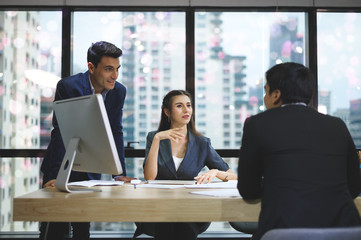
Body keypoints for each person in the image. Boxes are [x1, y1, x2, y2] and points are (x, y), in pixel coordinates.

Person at [237, 62, 361, 240]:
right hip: (344, 231)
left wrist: (276, 185)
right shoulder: (337, 125)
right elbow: (354, 187)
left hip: (283, 231)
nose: (265, 97)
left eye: (266, 91)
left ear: (276, 95)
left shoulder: (257, 124)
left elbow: (248, 190)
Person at [39, 41, 135, 240]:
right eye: (109, 69)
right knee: (54, 228)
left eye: (117, 69)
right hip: (61, 164)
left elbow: (115, 131)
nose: (115, 76)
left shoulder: (119, 91)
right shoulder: (68, 86)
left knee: (82, 228)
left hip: (89, 167)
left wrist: (119, 173)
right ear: (92, 67)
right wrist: (54, 174)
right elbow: (60, 132)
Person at [133, 89, 237, 240]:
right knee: (167, 223)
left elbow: (233, 177)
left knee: (182, 224)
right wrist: (157, 140)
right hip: (160, 206)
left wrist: (215, 172)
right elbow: (150, 176)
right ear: (167, 112)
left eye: (188, 105)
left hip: (192, 208)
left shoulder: (202, 143)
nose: (186, 109)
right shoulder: (154, 137)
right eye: (180, 106)